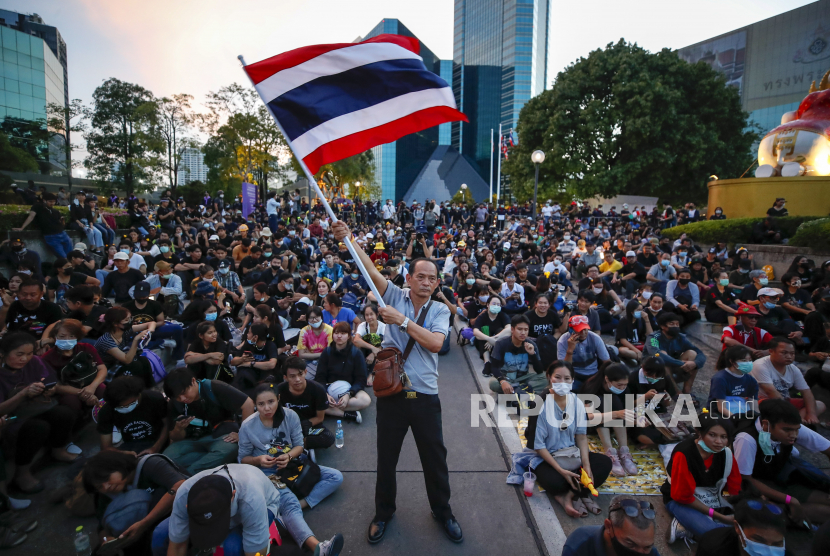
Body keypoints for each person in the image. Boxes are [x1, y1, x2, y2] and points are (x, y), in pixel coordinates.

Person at [331, 219, 461, 545]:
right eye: (421, 276)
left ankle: (443, 512)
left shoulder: (439, 311)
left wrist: (401, 321)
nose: (427, 282)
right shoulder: (393, 295)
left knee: (435, 461)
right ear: (409, 277)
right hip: (392, 396)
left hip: (426, 397)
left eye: (432, 278)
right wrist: (349, 239)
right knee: (386, 460)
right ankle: (383, 513)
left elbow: (434, 343)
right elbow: (367, 270)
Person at [152, 463, 345, 556]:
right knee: (161, 534)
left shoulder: (251, 499)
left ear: (233, 496)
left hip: (265, 503)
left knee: (233, 547)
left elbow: (255, 555)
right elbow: (176, 546)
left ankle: (273, 530)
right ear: (188, 507)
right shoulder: (184, 493)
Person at [523, 360, 612, 517]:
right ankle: (575, 493)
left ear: (572, 380)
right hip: (547, 457)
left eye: (567, 379)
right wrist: (561, 470)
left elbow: (581, 436)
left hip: (571, 454)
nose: (562, 382)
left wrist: (586, 465)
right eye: (557, 377)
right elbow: (538, 446)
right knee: (555, 482)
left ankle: (570, 495)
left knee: (604, 463)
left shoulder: (576, 402)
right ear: (549, 377)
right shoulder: (540, 404)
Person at [238, 383, 343, 510]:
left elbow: (299, 446)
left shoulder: (290, 415)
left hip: (293, 465)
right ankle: (290, 504)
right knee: (291, 506)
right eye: (261, 404)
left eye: (271, 402)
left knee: (336, 476)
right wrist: (258, 460)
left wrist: (288, 456)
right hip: (268, 472)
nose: (267, 408)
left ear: (278, 398)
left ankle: (301, 503)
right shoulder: (248, 425)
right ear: (255, 404)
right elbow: (243, 459)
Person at [0, 333, 78, 493]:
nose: (25, 359)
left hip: (37, 408)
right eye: (19, 354)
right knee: (37, 428)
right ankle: (22, 473)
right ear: (3, 354)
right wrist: (23, 394)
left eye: (29, 354)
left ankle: (58, 450)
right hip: (13, 419)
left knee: (63, 413)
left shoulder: (34, 362)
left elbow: (51, 380)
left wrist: (49, 389)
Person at [733, 399, 830, 525]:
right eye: (788, 430)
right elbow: (746, 480)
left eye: (797, 430)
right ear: (766, 425)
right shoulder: (746, 439)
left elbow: (828, 448)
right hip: (755, 483)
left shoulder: (790, 427)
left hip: (778, 475)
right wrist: (790, 500)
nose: (794, 435)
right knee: (825, 512)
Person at [82, 450, 187, 555]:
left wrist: (144, 524)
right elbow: (102, 526)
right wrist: (106, 540)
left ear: (117, 465)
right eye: (100, 487)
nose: (106, 487)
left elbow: (179, 486)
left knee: (158, 536)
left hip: (180, 511)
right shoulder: (107, 493)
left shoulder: (149, 464)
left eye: (107, 478)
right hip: (139, 530)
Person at [662, 413, 741, 544]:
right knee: (716, 536)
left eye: (724, 437)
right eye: (712, 435)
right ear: (700, 433)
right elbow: (683, 497)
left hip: (711, 499)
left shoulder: (726, 454)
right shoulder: (684, 453)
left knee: (745, 528)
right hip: (680, 501)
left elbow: (735, 486)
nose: (718, 442)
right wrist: (720, 517)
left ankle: (688, 527)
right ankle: (686, 524)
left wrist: (741, 511)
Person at [162, 367, 255, 475]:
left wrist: (242, 434)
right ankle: (206, 464)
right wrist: (178, 429)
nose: (182, 399)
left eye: (184, 392)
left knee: (228, 449)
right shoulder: (175, 403)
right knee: (167, 458)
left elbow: (248, 404)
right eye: (178, 397)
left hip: (221, 436)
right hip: (192, 440)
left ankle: (186, 475)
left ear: (193, 381)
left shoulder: (213, 387)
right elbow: (174, 437)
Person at [42, 318, 107, 422]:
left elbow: (102, 368)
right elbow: (55, 385)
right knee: (71, 402)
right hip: (68, 389)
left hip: (91, 383)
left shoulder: (87, 348)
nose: (67, 339)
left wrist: (92, 387)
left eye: (71, 336)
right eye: (62, 336)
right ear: (55, 337)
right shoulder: (47, 358)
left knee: (103, 390)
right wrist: (83, 393)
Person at [580, 364, 639, 476]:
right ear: (607, 379)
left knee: (615, 401)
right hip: (594, 424)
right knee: (603, 401)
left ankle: (624, 451)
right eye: (619, 385)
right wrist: (615, 414)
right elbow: (587, 417)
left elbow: (629, 408)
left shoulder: (624, 390)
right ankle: (610, 452)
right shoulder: (591, 387)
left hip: (615, 425)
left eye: (625, 385)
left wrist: (637, 418)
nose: (622, 388)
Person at [750, 337, 825, 424]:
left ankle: (797, 424)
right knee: (777, 410)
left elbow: (806, 391)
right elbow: (771, 392)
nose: (789, 356)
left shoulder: (793, 368)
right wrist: (792, 412)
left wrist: (812, 414)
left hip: (784, 401)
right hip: (762, 402)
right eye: (784, 353)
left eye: (792, 353)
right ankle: (796, 423)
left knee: (819, 405)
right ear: (771, 351)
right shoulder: (760, 365)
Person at [561, 495, 660, 556]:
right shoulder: (579, 547)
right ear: (609, 526)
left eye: (646, 547)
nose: (639, 552)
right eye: (630, 544)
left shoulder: (651, 553)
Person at [697, 496, 793, 556]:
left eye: (776, 544)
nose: (768, 550)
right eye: (759, 540)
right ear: (738, 528)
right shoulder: (712, 548)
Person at [97, 375, 169, 455]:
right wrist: (124, 453)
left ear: (138, 395)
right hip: (131, 445)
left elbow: (167, 424)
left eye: (130, 404)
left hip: (158, 440)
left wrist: (156, 447)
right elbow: (106, 447)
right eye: (121, 407)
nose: (126, 408)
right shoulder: (107, 410)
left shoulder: (155, 399)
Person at [314, 321, 370, 422]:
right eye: (336, 333)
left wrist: (349, 394)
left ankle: (329, 409)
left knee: (365, 400)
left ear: (349, 336)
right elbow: (320, 377)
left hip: (350, 389)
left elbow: (361, 379)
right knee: (311, 400)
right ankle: (346, 414)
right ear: (333, 335)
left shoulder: (356, 353)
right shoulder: (327, 352)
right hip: (329, 389)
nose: (339, 336)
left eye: (343, 333)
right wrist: (325, 394)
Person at [644, 313, 706, 397]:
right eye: (672, 324)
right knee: (662, 355)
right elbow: (656, 354)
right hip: (653, 371)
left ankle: (687, 390)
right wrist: (681, 363)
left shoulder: (680, 337)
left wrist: (695, 364)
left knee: (692, 353)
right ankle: (676, 392)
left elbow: (700, 353)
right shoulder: (654, 337)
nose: (675, 326)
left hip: (672, 369)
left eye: (677, 324)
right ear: (663, 326)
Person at [277, 357, 333, 450]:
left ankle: (297, 444)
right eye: (292, 376)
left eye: (300, 374)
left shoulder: (318, 389)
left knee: (328, 438)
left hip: (309, 424)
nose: (298, 379)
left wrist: (305, 424)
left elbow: (320, 418)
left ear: (306, 372)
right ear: (285, 378)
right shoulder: (280, 390)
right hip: (288, 425)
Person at [122, 281, 185, 363]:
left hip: (152, 330)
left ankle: (178, 355)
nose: (141, 298)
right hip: (134, 333)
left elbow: (161, 321)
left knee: (177, 328)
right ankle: (160, 342)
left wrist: (149, 327)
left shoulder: (155, 305)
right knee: (132, 344)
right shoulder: (126, 306)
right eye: (139, 296)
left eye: (143, 296)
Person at [94, 307, 155, 387]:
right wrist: (136, 340)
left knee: (143, 360)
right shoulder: (106, 340)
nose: (130, 321)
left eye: (130, 318)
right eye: (126, 320)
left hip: (117, 361)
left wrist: (148, 332)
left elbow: (151, 323)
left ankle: (147, 387)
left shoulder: (125, 330)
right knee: (135, 365)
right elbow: (127, 360)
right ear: (115, 324)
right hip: (106, 368)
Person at [488, 314, 547, 396]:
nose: (523, 333)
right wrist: (503, 381)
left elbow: (539, 371)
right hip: (505, 377)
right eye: (520, 329)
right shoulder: (501, 343)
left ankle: (514, 391)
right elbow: (494, 367)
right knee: (493, 383)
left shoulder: (531, 344)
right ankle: (522, 390)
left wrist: (532, 354)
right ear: (512, 329)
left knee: (546, 378)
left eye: (526, 330)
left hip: (523, 378)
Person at [3, 278, 62, 349]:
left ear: (41, 294)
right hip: (16, 344)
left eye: (33, 295)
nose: (28, 298)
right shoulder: (15, 306)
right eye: (24, 294)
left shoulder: (52, 308)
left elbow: (57, 333)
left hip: (42, 345)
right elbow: (9, 328)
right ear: (18, 294)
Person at [557, 314, 611, 389]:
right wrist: (570, 350)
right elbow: (564, 367)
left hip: (593, 373)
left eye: (585, 329)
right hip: (574, 374)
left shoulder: (595, 338)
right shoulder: (562, 341)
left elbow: (606, 361)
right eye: (579, 330)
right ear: (571, 330)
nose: (583, 333)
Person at [13, 192, 74, 258]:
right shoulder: (38, 207)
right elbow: (31, 217)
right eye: (50, 201)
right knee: (63, 257)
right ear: (44, 200)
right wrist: (22, 227)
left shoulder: (55, 211)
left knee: (71, 255)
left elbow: (62, 224)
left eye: (54, 202)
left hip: (62, 233)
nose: (52, 203)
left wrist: (62, 221)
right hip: (51, 236)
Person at [707, 345, 759, 419]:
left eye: (750, 360)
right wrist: (737, 419)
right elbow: (721, 408)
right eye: (744, 360)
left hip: (741, 412)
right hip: (720, 415)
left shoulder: (751, 380)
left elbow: (754, 407)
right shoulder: (720, 379)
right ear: (732, 362)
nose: (748, 363)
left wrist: (756, 419)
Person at [472, 295, 511, 377]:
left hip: (498, 342)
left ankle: (496, 362)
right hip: (484, 343)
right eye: (494, 303)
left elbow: (509, 329)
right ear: (488, 305)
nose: (496, 306)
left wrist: (494, 339)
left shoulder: (502, 315)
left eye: (498, 304)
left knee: (502, 331)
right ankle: (487, 362)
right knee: (483, 333)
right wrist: (489, 339)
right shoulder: (482, 316)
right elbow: (475, 331)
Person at [297, 306, 333, 379]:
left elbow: (329, 353)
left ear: (321, 317)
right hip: (308, 361)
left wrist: (309, 354)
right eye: (311, 318)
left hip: (325, 361)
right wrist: (321, 354)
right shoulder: (304, 331)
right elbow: (301, 355)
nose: (314, 320)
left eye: (317, 317)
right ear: (307, 319)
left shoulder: (329, 330)